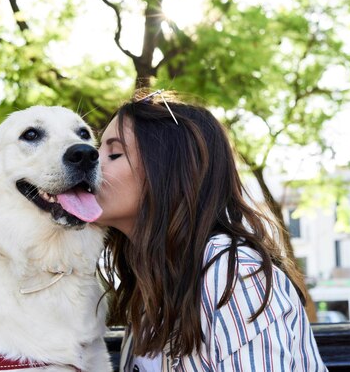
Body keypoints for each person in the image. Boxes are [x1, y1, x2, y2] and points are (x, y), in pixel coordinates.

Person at [94, 90, 327, 371]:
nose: (92, 162)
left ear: (168, 170)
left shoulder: (234, 273)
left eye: (114, 153)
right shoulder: (149, 285)